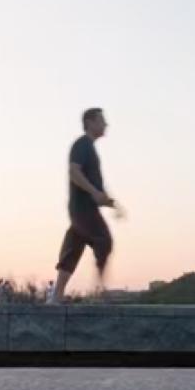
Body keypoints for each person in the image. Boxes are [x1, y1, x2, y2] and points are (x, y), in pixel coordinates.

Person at [51, 108, 120, 304]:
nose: (105, 125)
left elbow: (93, 187)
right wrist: (93, 192)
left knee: (73, 247)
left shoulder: (89, 148)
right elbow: (74, 172)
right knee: (103, 240)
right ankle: (99, 290)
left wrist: (108, 201)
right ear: (90, 123)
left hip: (82, 208)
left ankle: (56, 296)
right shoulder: (82, 145)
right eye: (102, 121)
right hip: (83, 209)